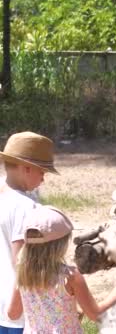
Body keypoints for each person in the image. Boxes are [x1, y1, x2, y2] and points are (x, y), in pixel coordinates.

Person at [6, 206, 116, 333]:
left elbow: (13, 314)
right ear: (61, 245)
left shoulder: (22, 274)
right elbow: (95, 315)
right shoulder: (69, 276)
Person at [0, 132, 58, 334]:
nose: (43, 178)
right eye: (42, 171)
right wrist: (16, 309)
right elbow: (23, 264)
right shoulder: (26, 207)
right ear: (26, 168)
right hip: (17, 311)